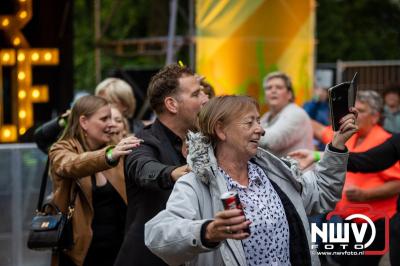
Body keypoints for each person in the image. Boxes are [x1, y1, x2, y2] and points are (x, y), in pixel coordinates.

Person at [144, 95, 357, 266]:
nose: (261, 129)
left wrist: (337, 145)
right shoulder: (196, 183)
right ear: (221, 130)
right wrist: (208, 231)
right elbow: (158, 234)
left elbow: (322, 193)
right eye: (250, 122)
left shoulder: (274, 174)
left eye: (259, 121)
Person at [114, 63, 209, 266]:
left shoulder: (202, 140)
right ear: (172, 104)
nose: (206, 99)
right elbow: (143, 169)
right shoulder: (142, 142)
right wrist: (173, 173)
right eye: (196, 94)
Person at [305, 90, 400, 265]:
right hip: (344, 219)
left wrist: (365, 195)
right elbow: (320, 130)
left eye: (361, 111)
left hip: (374, 221)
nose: (355, 114)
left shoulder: (386, 141)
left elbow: (397, 183)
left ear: (375, 116)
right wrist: (303, 109)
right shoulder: (349, 135)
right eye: (353, 110)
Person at [49, 95, 142, 266]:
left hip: (118, 252)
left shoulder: (114, 149)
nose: (110, 124)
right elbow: (72, 164)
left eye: (113, 119)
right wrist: (109, 155)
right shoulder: (61, 148)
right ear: (84, 122)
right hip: (78, 255)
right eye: (104, 118)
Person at [34, 78, 143, 154]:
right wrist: (64, 120)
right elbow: (41, 138)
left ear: (125, 105)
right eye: (100, 101)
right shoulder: (86, 130)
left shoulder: (141, 131)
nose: (103, 106)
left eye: (109, 102)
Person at [259, 71, 314, 156]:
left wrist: (241, 133)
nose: (273, 90)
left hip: (299, 169)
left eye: (279, 87)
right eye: (269, 88)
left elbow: (273, 141)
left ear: (289, 94)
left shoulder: (296, 113)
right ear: (265, 95)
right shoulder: (266, 116)